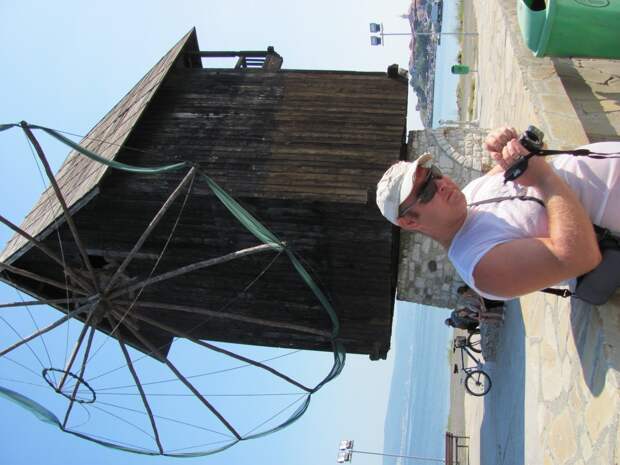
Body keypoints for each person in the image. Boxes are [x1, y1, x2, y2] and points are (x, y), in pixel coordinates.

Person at [376, 127, 620, 300]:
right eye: (426, 191)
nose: (440, 184)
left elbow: (530, 160)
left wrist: (508, 146)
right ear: (409, 221)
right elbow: (580, 257)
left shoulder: (471, 193)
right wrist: (544, 179)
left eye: (434, 174)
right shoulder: (480, 266)